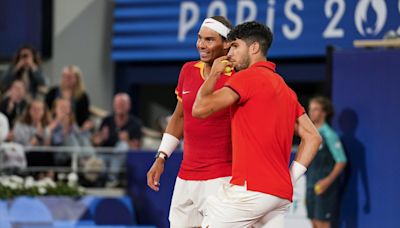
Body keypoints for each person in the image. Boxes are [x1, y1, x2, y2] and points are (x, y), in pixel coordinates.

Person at [192, 21, 321, 227]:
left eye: (235, 46)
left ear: (254, 48)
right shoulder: (286, 90)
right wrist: (291, 178)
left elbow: (199, 109)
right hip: (279, 196)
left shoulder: (246, 78)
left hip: (250, 190)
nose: (229, 53)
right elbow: (313, 137)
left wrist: (215, 74)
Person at [146, 16, 234, 227]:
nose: (201, 45)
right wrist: (161, 157)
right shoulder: (188, 70)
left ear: (227, 44)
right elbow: (179, 116)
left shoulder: (238, 76)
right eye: (199, 38)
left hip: (221, 176)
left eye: (209, 40)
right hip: (186, 176)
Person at [306, 96, 347, 228]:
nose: (311, 112)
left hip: (324, 186)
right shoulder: (311, 134)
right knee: (313, 221)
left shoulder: (329, 134)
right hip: (311, 184)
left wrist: (327, 181)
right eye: (310, 109)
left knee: (322, 223)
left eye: (316, 109)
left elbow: (341, 161)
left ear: (324, 112)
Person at [92, 93, 142, 187]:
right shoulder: (106, 120)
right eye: (118, 104)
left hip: (124, 161)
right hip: (105, 157)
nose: (120, 107)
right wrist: (102, 137)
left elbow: (137, 149)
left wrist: (127, 140)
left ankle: (112, 178)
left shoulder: (135, 123)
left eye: (122, 104)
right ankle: (104, 180)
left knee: (123, 145)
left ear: (128, 106)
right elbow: (95, 142)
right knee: (99, 160)